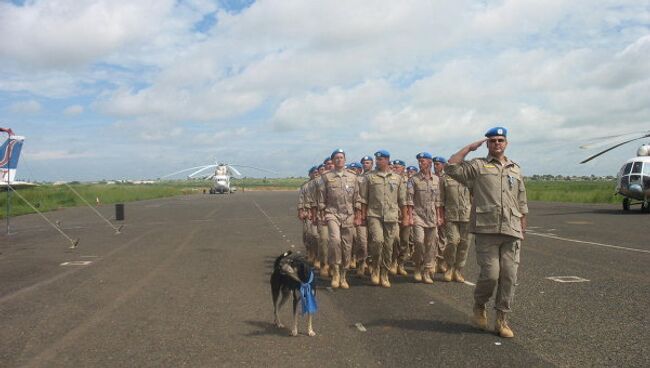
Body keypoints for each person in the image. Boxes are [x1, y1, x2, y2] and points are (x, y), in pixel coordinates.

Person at [446, 126, 528, 338]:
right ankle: (479, 306)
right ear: (488, 144)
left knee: (509, 276)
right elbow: (451, 167)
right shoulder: (478, 166)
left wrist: (523, 225)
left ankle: (501, 320)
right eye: (492, 141)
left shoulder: (515, 169)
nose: (497, 144)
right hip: (486, 229)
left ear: (506, 143)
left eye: (500, 140)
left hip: (511, 229)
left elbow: (521, 200)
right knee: (491, 275)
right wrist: (469, 148)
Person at [355, 150, 408, 288]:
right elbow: (363, 199)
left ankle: (384, 273)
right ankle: (375, 269)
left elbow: (403, 200)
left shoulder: (397, 178)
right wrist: (362, 216)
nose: (378, 161)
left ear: (387, 160)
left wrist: (406, 217)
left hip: (391, 216)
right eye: (376, 159)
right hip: (374, 215)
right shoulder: (370, 177)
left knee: (389, 246)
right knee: (378, 241)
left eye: (380, 159)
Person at [318, 149, 359, 289]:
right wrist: (322, 214)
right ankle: (335, 271)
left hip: (348, 214)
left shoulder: (353, 177)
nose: (339, 160)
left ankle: (343, 274)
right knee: (335, 240)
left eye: (341, 157)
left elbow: (357, 198)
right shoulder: (326, 177)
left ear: (345, 160)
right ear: (333, 160)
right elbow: (322, 198)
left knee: (347, 245)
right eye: (336, 158)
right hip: (332, 213)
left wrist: (358, 215)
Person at [407, 152, 445, 283]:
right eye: (419, 161)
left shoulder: (436, 180)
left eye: (422, 161)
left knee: (431, 244)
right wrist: (410, 217)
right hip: (418, 215)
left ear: (429, 163)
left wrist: (440, 217)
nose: (420, 163)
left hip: (432, 217)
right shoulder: (413, 179)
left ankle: (427, 270)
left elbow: (438, 201)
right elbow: (410, 200)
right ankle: (418, 266)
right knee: (418, 241)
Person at [440, 160, 472, 283]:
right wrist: (441, 216)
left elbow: (474, 199)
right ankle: (449, 267)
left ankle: (458, 270)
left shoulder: (470, 179)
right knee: (452, 242)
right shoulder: (445, 179)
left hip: (467, 216)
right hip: (451, 215)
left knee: (464, 244)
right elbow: (441, 200)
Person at [299, 166, 319, 264]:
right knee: (307, 234)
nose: (316, 174)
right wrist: (301, 211)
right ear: (309, 174)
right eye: (314, 172)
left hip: (319, 212)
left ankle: (316, 255)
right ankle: (310, 252)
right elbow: (301, 199)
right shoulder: (305, 185)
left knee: (316, 235)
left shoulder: (322, 184)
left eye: (317, 172)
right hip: (308, 211)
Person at [432, 156, 449, 274]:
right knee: (432, 238)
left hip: (443, 210)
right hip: (430, 211)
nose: (435, 166)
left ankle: (441, 261)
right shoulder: (432, 177)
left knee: (443, 238)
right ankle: (432, 262)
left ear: (443, 165)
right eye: (434, 164)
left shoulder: (446, 178)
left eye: (438, 164)